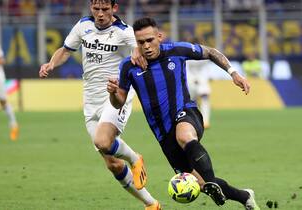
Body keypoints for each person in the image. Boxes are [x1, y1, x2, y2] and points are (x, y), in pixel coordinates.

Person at [107, 17, 260, 210]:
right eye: (141, 42)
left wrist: (233, 73)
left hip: (186, 113)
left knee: (185, 136)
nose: (146, 46)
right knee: (201, 184)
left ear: (159, 37)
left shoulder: (176, 51)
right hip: (163, 135)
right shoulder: (128, 66)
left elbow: (210, 52)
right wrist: (112, 93)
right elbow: (118, 102)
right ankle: (244, 196)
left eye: (150, 40)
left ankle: (211, 181)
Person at [39, 1, 160, 209]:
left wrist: (136, 53)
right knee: (112, 163)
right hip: (90, 99)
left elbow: (141, 50)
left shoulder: (124, 31)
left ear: (115, 8)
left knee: (103, 142)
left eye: (105, 9)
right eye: (96, 9)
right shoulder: (82, 26)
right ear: (91, 8)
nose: (100, 14)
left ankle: (135, 158)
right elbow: (66, 50)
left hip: (115, 94)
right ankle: (151, 204)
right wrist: (51, 63)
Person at [186, 38, 211, 129]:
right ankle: (194, 120)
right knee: (192, 102)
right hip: (191, 82)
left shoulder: (203, 56)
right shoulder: (188, 56)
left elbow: (206, 70)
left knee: (204, 99)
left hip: (201, 82)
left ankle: (205, 121)